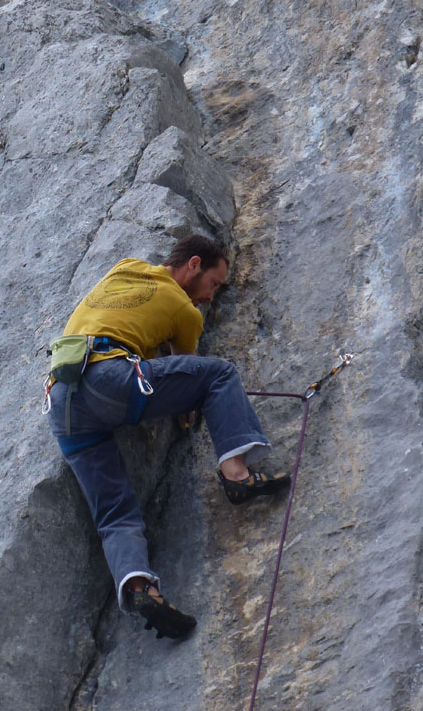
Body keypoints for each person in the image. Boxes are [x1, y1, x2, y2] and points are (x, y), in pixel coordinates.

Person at [45, 235, 290, 639]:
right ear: (194, 264)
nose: (210, 298)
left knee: (114, 514)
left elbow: (128, 315)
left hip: (62, 398)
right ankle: (236, 474)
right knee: (220, 374)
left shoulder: (125, 267)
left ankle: (141, 588)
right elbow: (190, 384)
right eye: (213, 283)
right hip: (110, 379)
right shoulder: (186, 312)